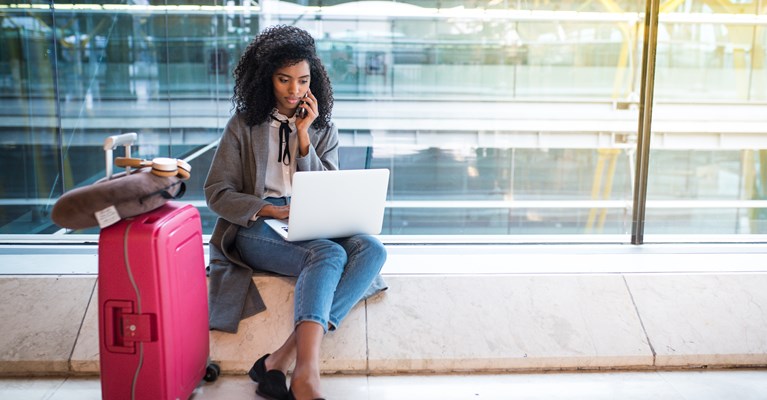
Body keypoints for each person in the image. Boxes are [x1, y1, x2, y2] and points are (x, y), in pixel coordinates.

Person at [203, 25, 388, 400]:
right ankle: (306, 373)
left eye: (302, 80)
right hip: (256, 226)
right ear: (266, 79)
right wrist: (269, 208)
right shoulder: (243, 125)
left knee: (373, 250)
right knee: (329, 253)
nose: (294, 90)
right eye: (284, 80)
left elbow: (330, 189)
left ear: (313, 79)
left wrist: (304, 137)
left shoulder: (323, 127)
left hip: (310, 220)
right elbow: (216, 192)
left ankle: (278, 360)